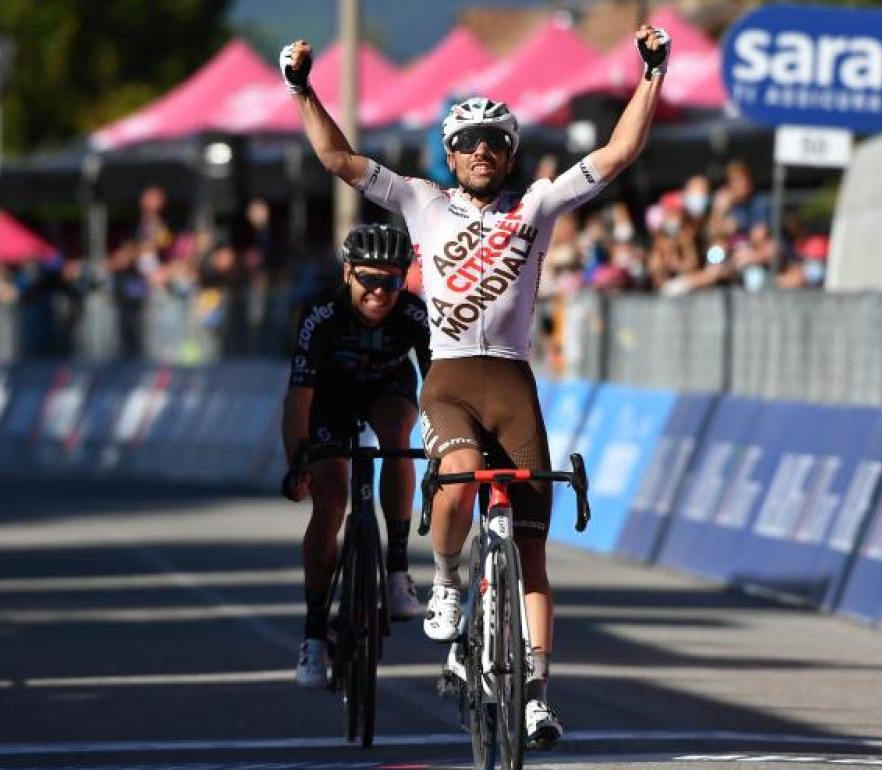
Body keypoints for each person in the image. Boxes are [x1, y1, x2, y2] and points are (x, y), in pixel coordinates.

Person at [280, 22, 671, 748]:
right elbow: (337, 157)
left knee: (533, 552)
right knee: (455, 480)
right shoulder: (422, 201)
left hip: (515, 383)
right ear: (450, 155)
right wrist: (303, 89)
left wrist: (652, 75)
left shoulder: (538, 206)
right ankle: (450, 582)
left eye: (495, 142)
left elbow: (618, 155)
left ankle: (536, 697)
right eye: (468, 143)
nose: (482, 152)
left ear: (510, 153)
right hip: (452, 379)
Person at [281, 224, 431, 689]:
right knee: (329, 504)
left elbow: (441, 387)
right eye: (368, 279)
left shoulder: (413, 313)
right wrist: (297, 464)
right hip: (330, 396)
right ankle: (313, 635)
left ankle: (399, 570)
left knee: (396, 433)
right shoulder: (321, 315)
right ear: (347, 273)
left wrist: (447, 444)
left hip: (388, 389)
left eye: (391, 281)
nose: (379, 292)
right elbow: (299, 397)